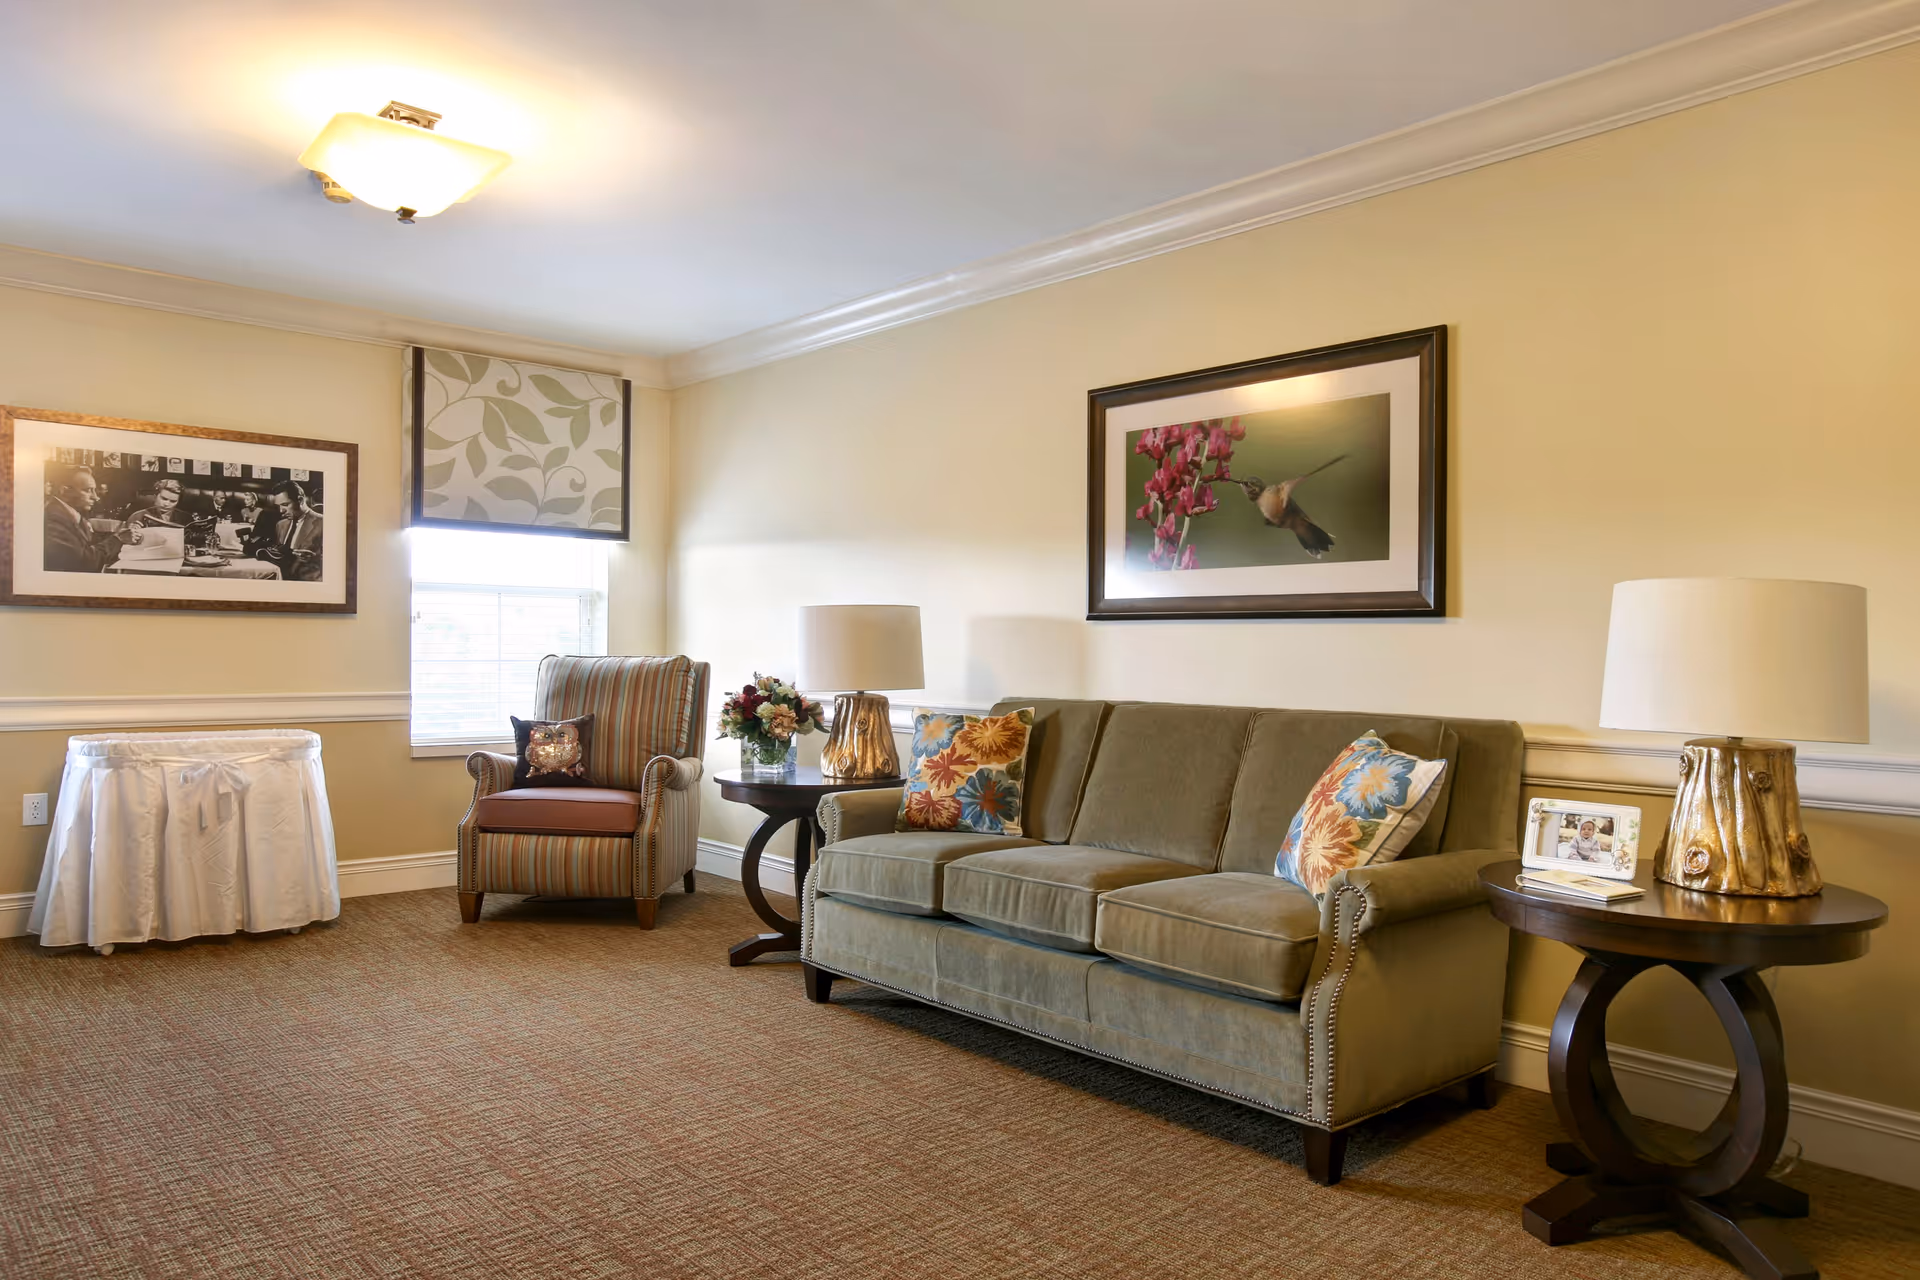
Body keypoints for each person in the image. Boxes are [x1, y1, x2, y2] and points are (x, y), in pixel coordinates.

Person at [43, 465, 134, 573]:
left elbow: (91, 545)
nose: (96, 497)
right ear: (65, 491)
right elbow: (83, 562)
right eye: (88, 490)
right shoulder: (52, 518)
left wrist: (121, 535)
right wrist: (118, 539)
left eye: (94, 491)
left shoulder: (69, 513)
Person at [249, 480, 324, 582]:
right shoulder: (280, 525)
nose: (281, 511)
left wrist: (315, 558)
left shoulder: (323, 523)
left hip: (309, 583)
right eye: (279, 506)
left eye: (285, 504)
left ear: (301, 500)